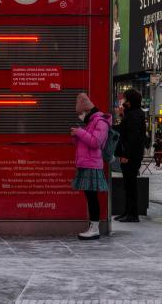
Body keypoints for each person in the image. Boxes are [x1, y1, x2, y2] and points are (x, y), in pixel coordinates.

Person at [71, 93, 111, 240]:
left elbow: (96, 143)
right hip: (87, 164)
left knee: (92, 197)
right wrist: (77, 136)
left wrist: (80, 132)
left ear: (87, 110)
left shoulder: (100, 122)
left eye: (81, 113)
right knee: (90, 196)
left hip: (92, 165)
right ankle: (92, 226)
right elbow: (87, 144)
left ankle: (94, 228)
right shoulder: (91, 122)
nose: (80, 116)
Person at [114, 88, 145, 222]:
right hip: (130, 155)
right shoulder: (132, 114)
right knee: (128, 185)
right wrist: (121, 116)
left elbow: (133, 137)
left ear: (130, 102)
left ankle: (133, 214)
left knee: (131, 185)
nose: (123, 102)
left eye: (125, 99)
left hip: (131, 156)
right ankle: (128, 211)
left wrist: (126, 154)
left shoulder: (135, 115)